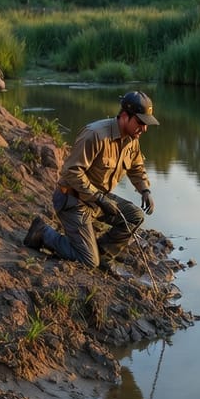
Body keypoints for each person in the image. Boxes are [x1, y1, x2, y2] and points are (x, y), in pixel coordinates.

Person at [23, 90, 159, 271]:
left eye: (146, 124)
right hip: (73, 200)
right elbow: (71, 172)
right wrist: (100, 199)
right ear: (125, 116)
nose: (144, 129)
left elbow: (136, 167)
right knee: (87, 261)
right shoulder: (95, 135)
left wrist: (145, 190)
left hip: (98, 200)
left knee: (135, 217)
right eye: (141, 123)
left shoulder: (132, 138)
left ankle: (104, 254)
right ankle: (43, 233)